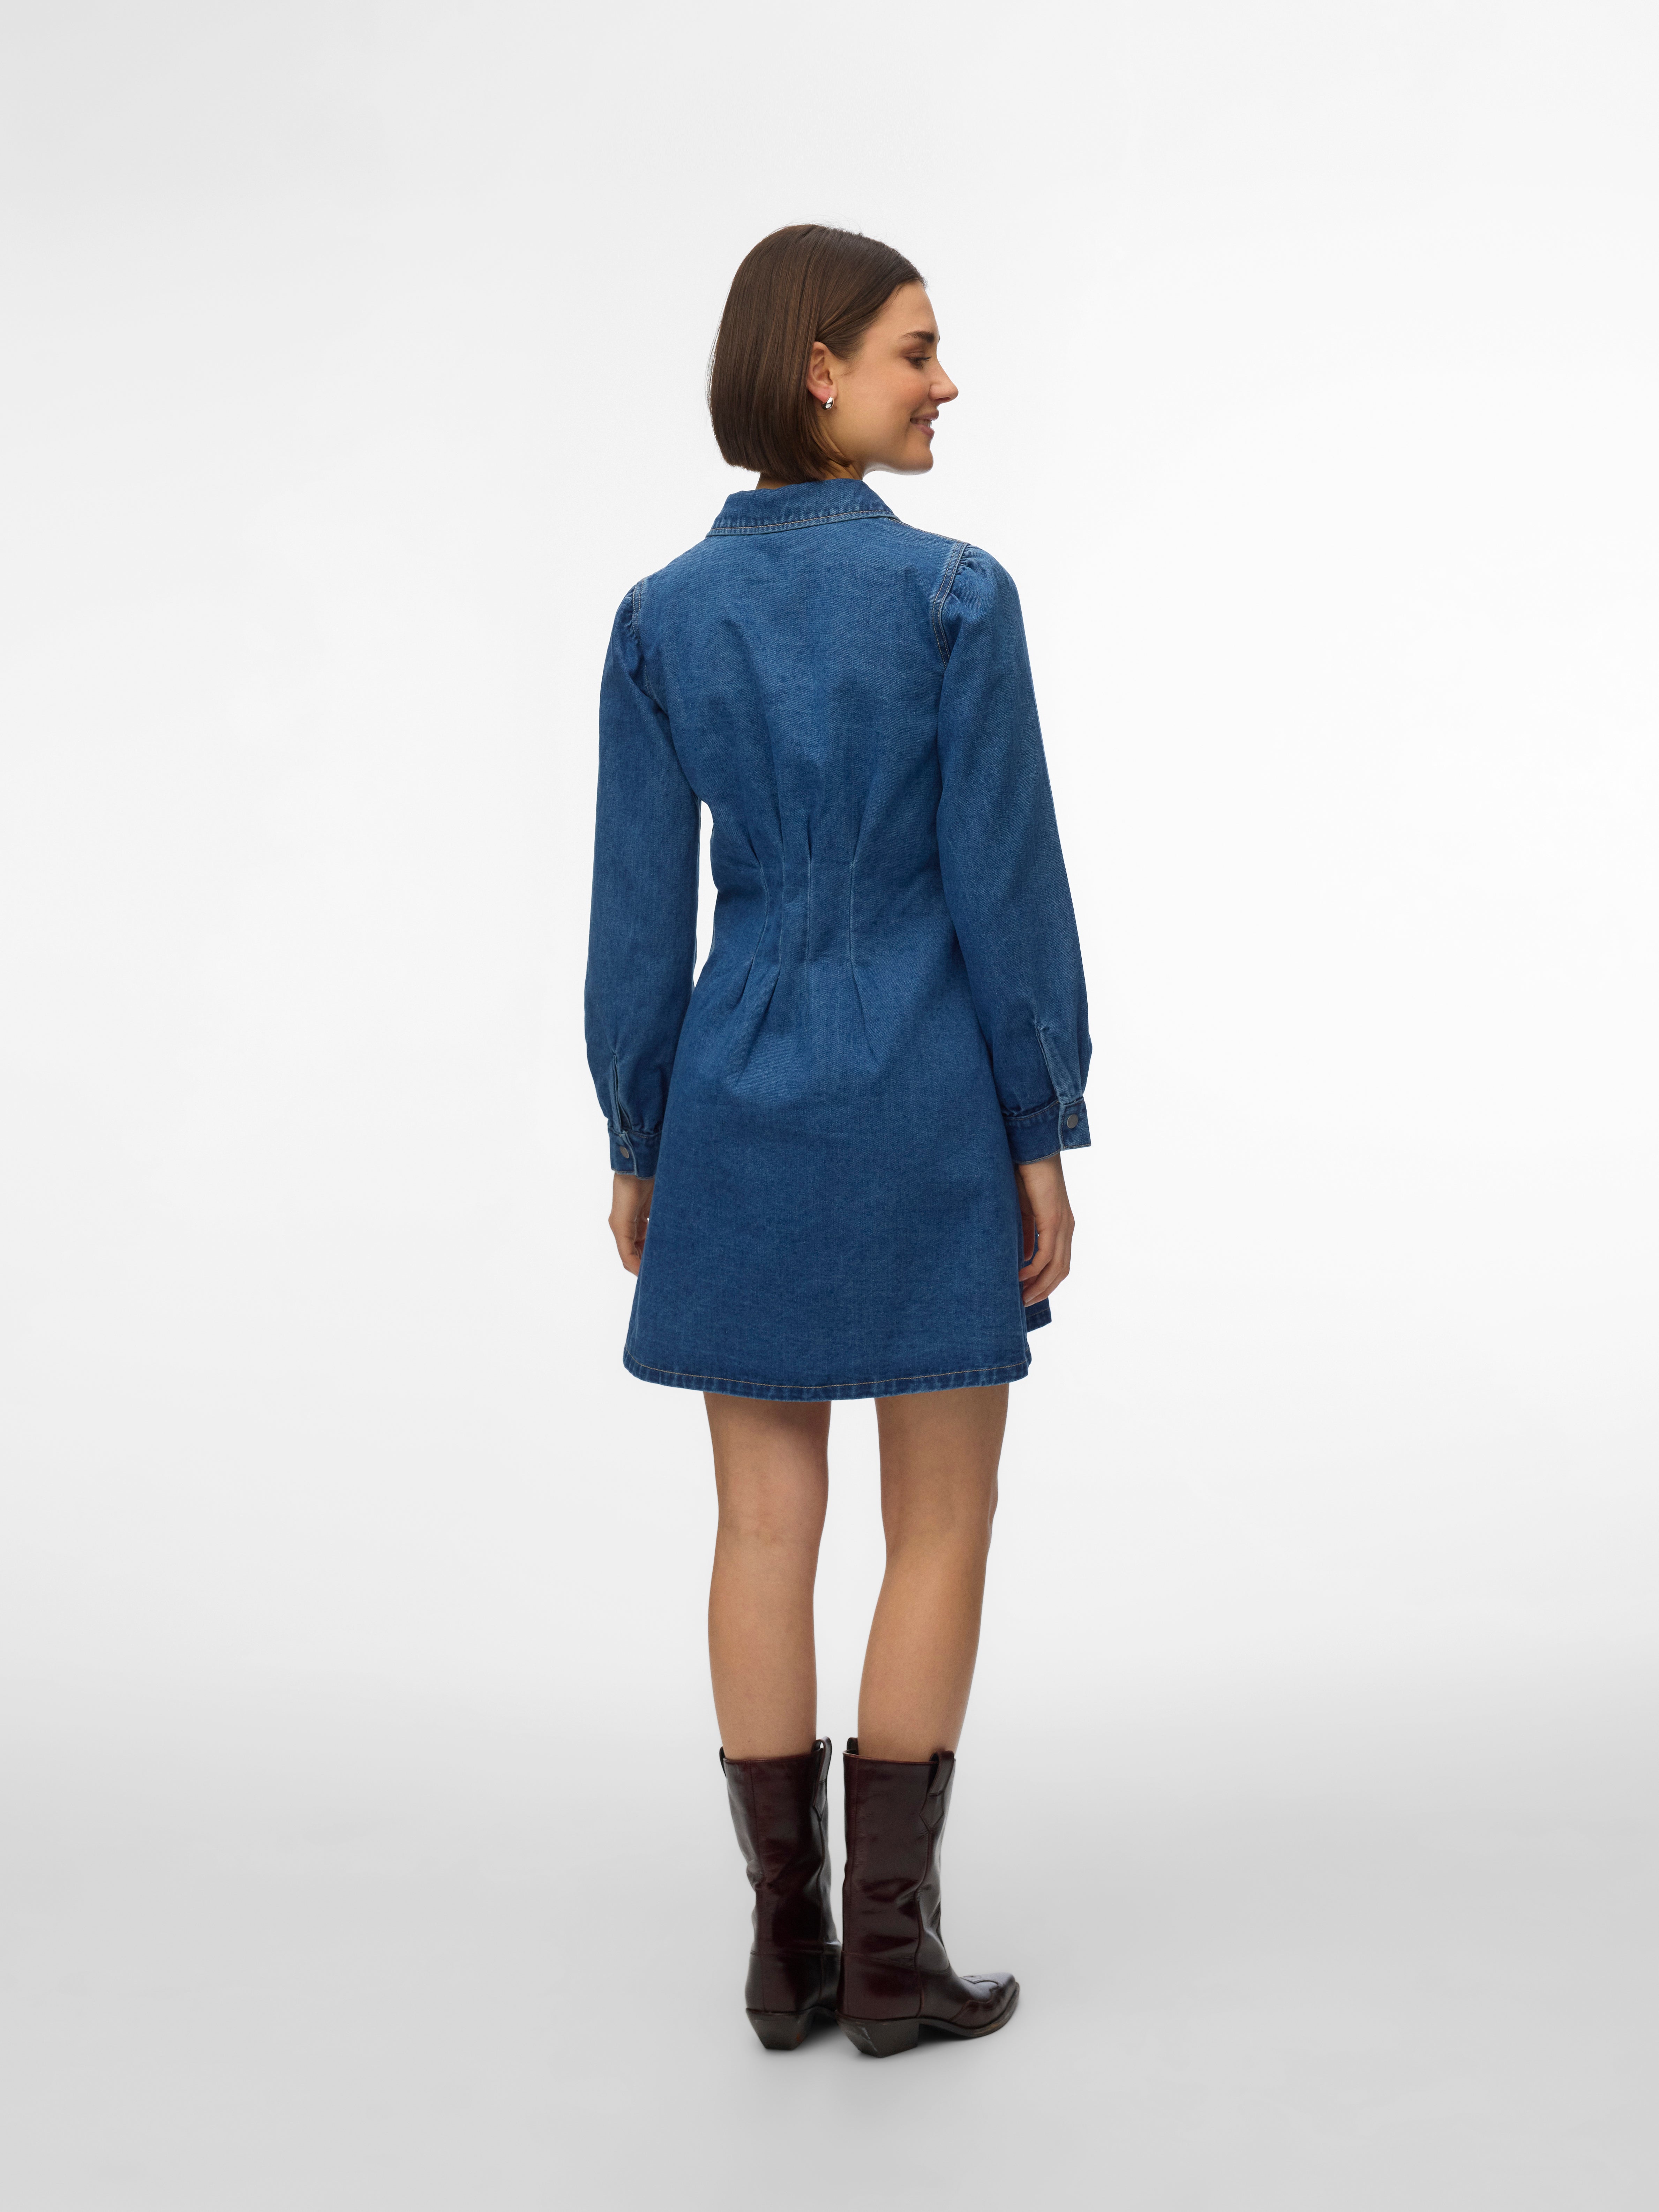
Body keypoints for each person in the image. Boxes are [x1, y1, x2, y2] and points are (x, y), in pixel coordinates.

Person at [583, 224, 1090, 2057]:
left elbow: (636, 920)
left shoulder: (660, 617)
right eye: (915, 350)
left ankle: (782, 1953)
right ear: (821, 370)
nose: (945, 383)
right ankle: (892, 1957)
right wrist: (1042, 1121)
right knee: (940, 1518)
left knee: (755, 1522)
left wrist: (639, 1130)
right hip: (928, 1096)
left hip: (733, 1100)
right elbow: (1006, 891)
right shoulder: (956, 598)